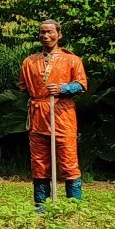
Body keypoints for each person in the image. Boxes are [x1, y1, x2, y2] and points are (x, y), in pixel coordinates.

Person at [20, 20, 88, 210]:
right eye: (42, 32)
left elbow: (81, 85)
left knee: (68, 159)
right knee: (39, 162)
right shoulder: (29, 62)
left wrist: (63, 88)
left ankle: (73, 207)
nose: (45, 36)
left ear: (59, 34)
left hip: (62, 113)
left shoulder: (72, 60)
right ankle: (41, 206)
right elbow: (24, 87)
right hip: (38, 114)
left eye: (50, 32)